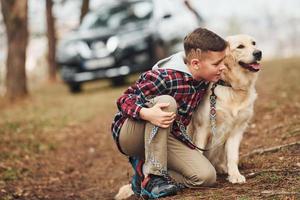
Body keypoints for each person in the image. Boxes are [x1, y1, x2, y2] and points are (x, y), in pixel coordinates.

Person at [111, 28, 227, 199]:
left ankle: (143, 176)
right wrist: (147, 113)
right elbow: (124, 99)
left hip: (166, 135)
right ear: (195, 63)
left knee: (206, 176)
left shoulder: (204, 77)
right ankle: (154, 177)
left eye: (223, 62)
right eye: (217, 64)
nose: (222, 67)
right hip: (131, 135)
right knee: (167, 102)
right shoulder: (164, 76)